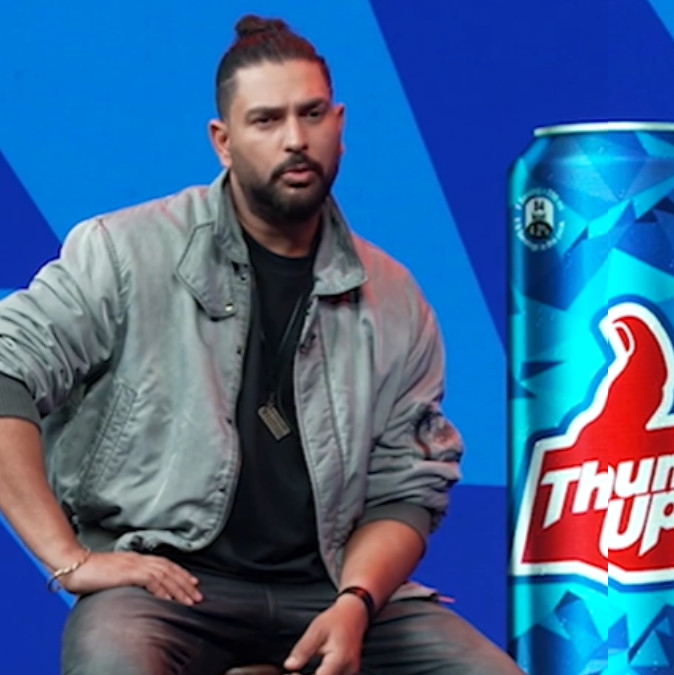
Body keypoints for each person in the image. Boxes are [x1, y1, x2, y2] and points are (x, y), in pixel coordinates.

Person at [0, 15, 524, 675]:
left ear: (340, 123)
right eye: (267, 120)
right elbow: (7, 369)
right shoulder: (125, 252)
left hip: (331, 588)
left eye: (311, 114)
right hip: (169, 585)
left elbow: (406, 490)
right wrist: (69, 559)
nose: (295, 139)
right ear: (223, 141)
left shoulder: (395, 299)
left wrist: (357, 601)